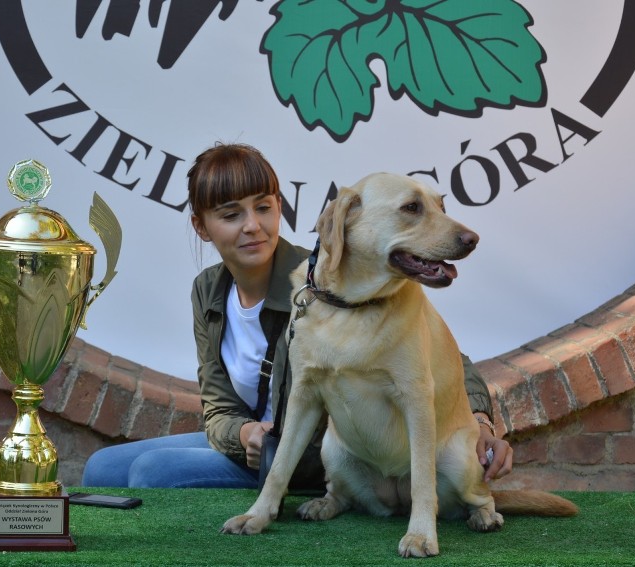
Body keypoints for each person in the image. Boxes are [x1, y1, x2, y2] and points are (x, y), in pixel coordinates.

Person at [82, 143, 513, 489]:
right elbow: (218, 406)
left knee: (149, 474)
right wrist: (243, 435)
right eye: (231, 215)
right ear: (201, 226)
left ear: (279, 207)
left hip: (309, 456)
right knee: (102, 467)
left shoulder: (329, 283)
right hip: (252, 446)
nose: (253, 225)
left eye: (264, 207)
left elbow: (442, 355)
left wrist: (479, 422)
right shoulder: (208, 291)